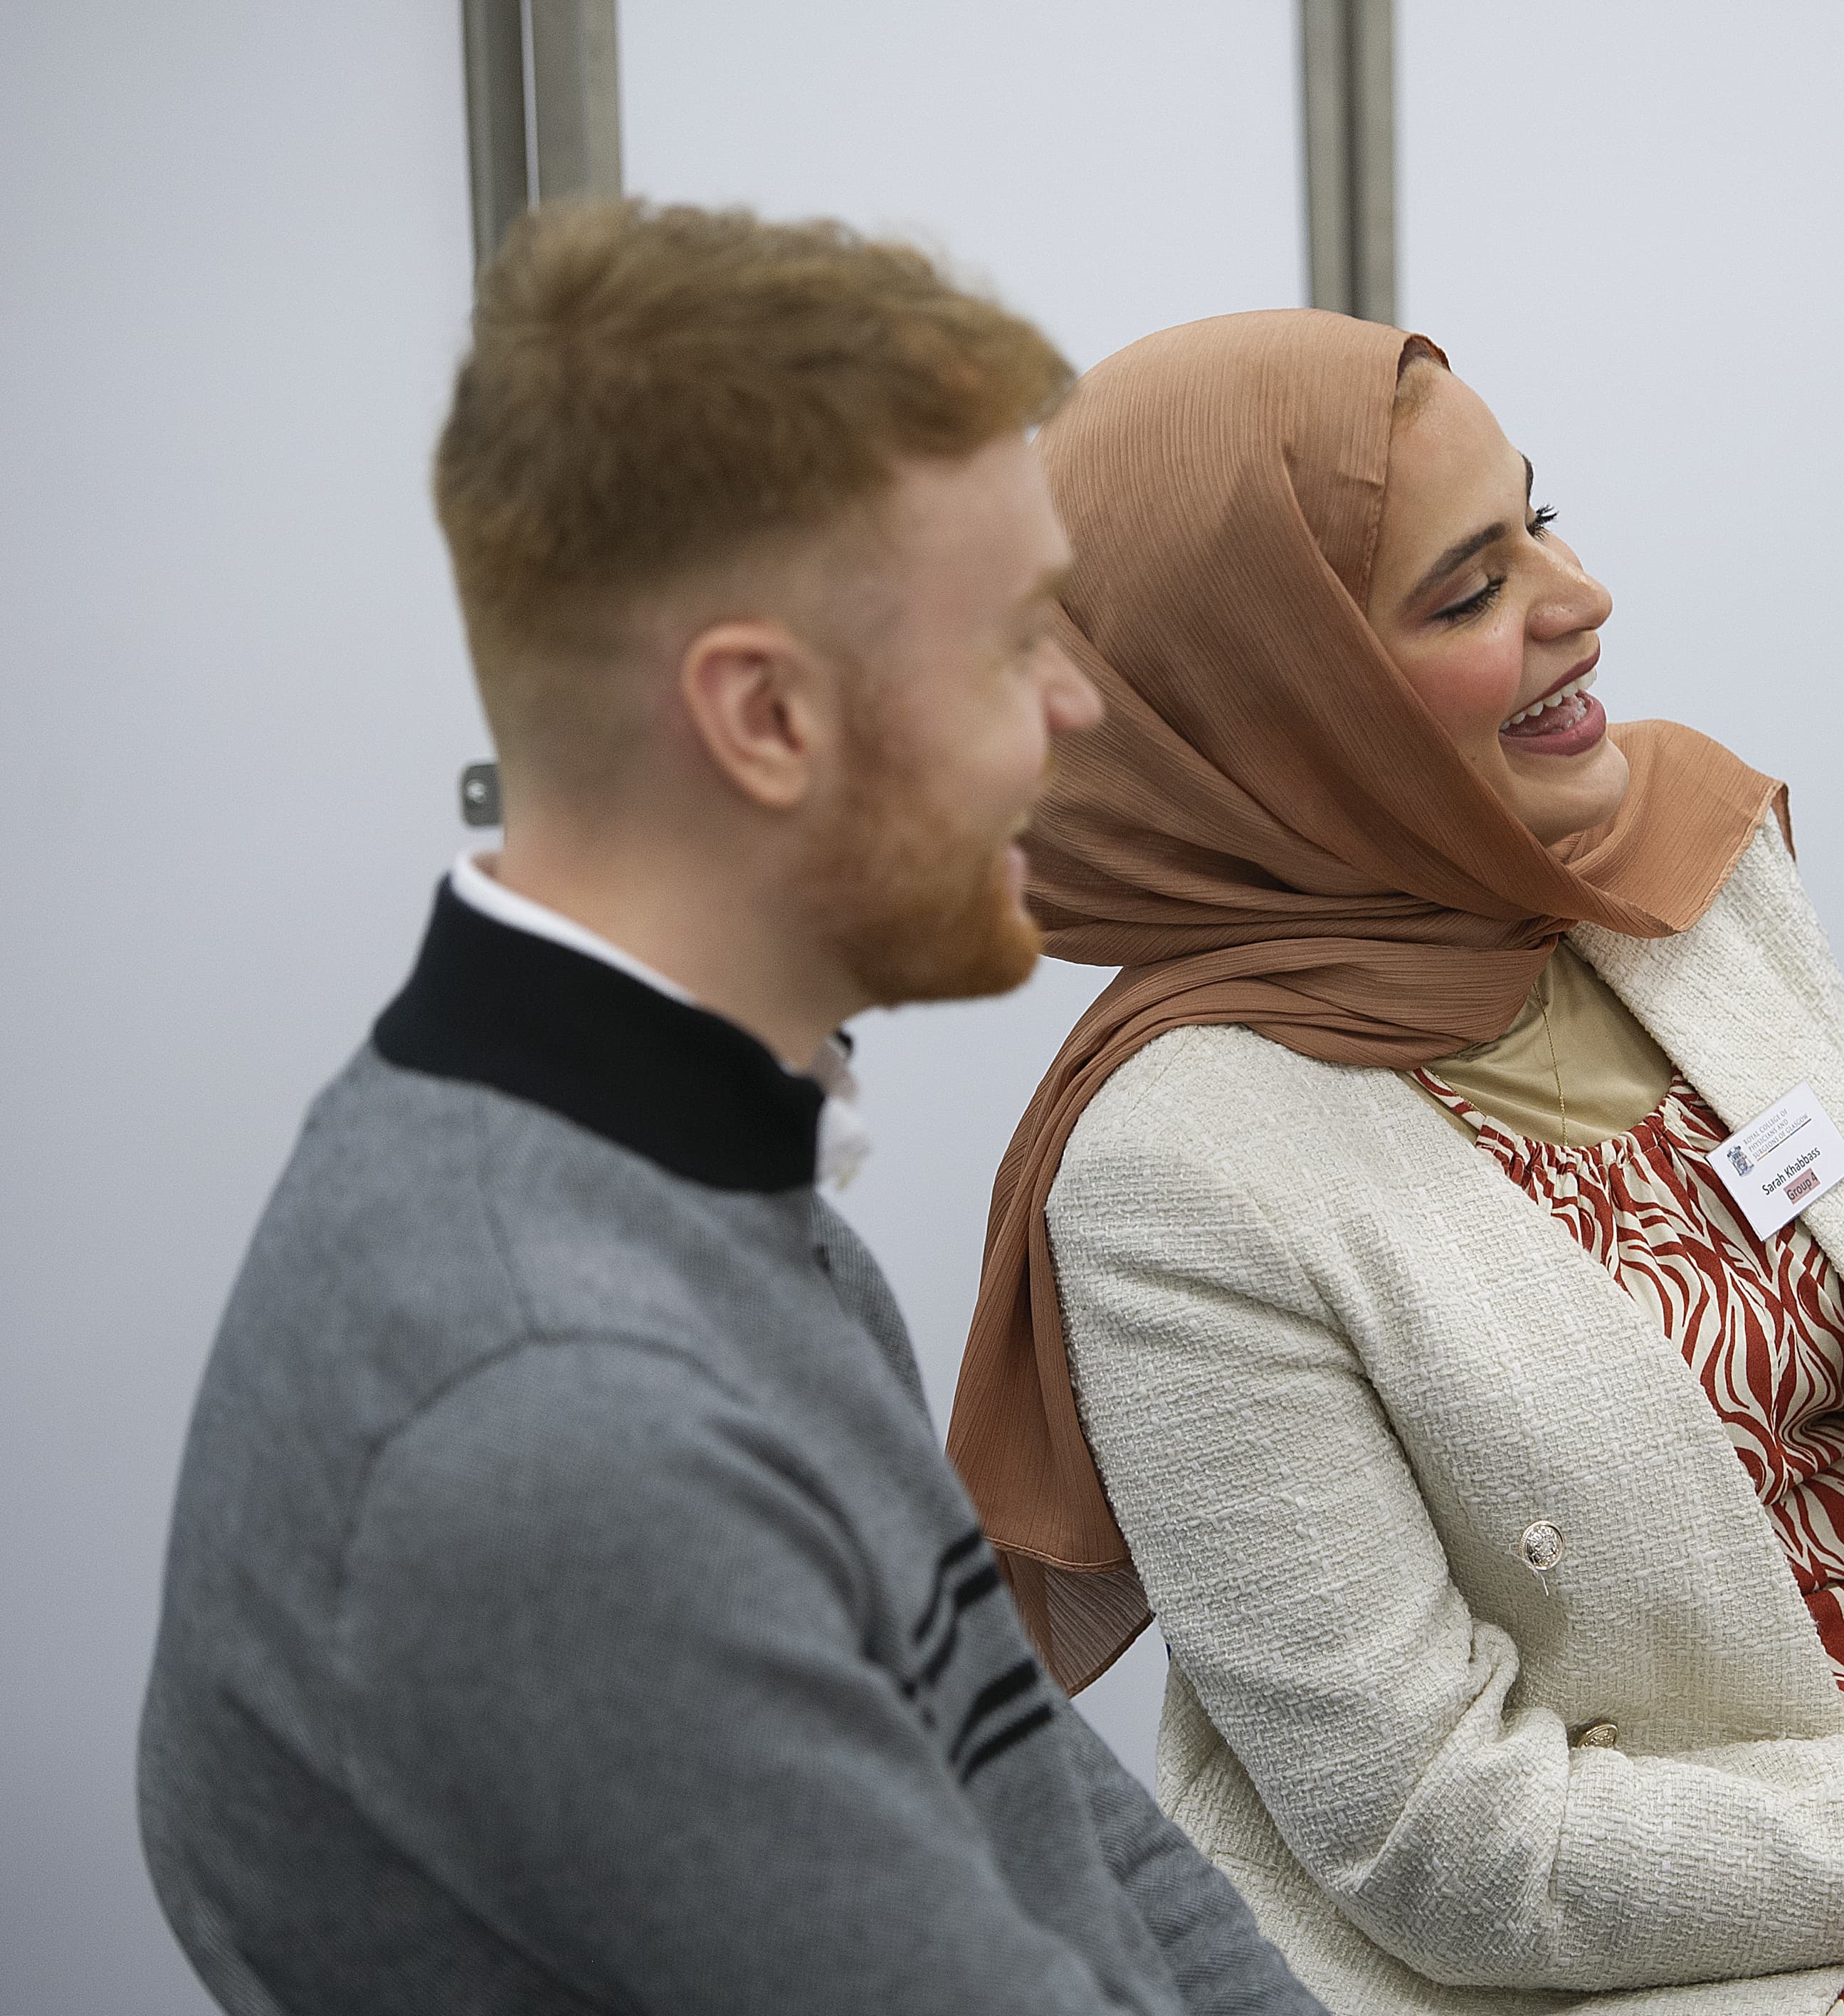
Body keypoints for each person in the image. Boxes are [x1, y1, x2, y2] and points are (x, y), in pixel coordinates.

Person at [943, 310, 1844, 2016]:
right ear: (1280, 706)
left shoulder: (1675, 886)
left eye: (1539, 520)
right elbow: (1446, 1844)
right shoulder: (1175, 1170)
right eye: (1467, 592)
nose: (1582, 603)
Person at [138, 200, 1322, 2015]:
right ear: (765, 717)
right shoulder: (557, 1414)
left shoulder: (701, 1184)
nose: (1082, 708)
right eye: (1018, 646)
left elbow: (1063, 1828)